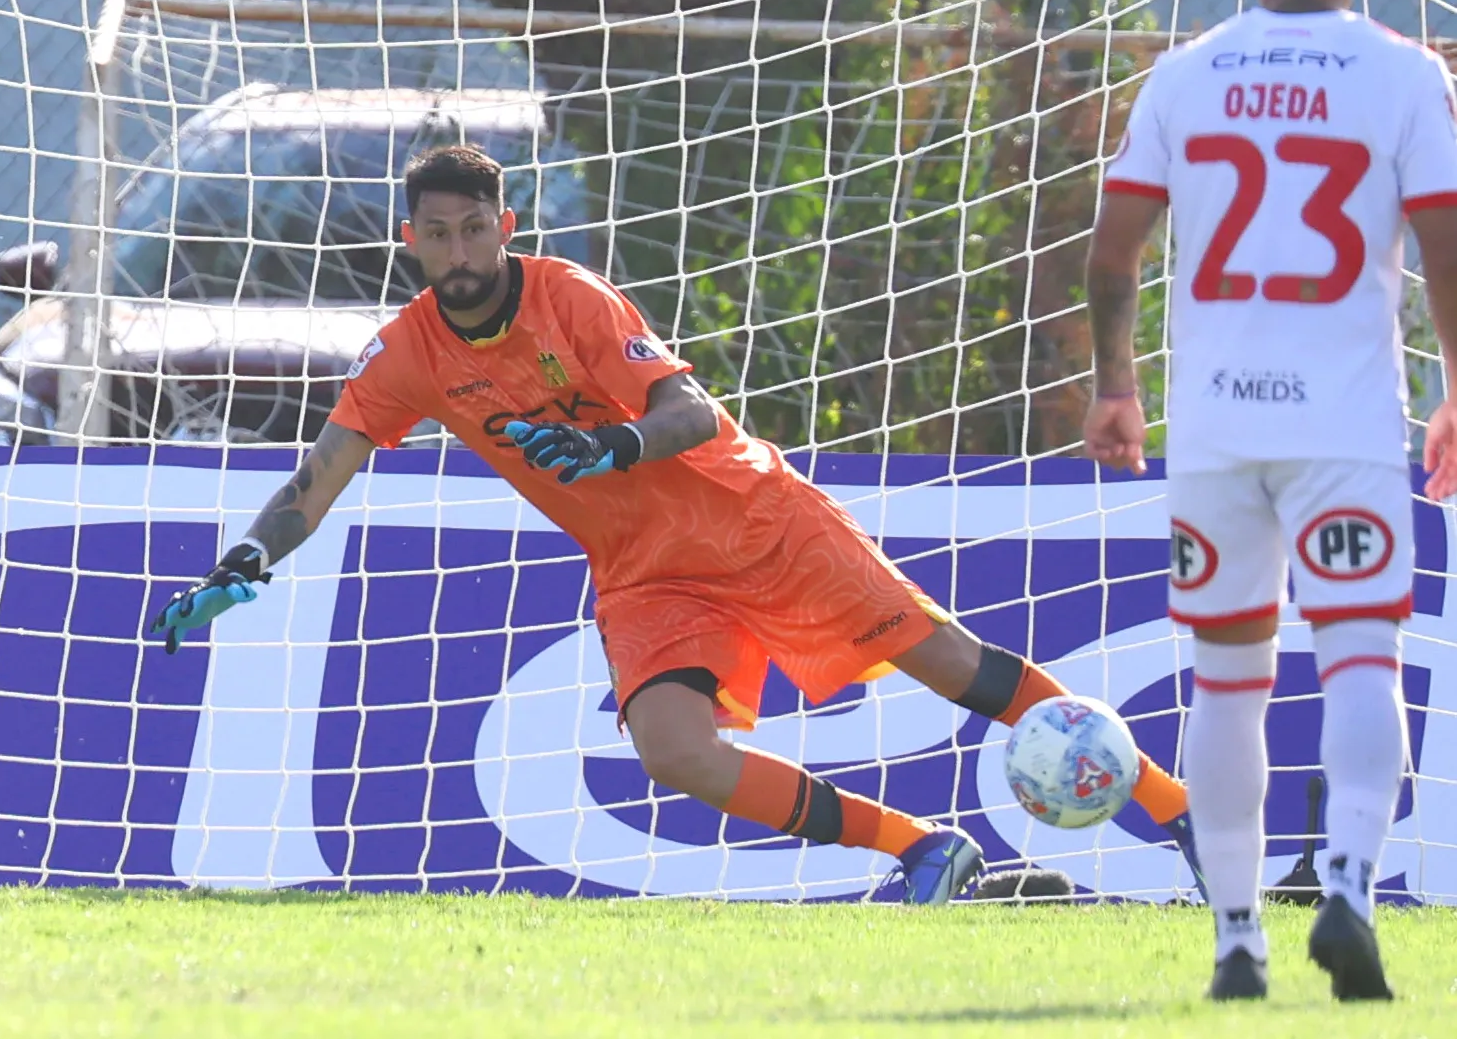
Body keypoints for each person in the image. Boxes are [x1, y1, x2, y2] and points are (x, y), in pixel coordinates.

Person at [150, 142, 1198, 904]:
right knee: (674, 752)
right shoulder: (410, 351)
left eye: (475, 228)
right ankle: (922, 848)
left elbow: (691, 410)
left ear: (505, 228)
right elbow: (322, 470)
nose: (458, 249)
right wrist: (248, 555)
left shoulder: (575, 299)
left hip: (754, 519)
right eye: (437, 233)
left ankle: (1180, 808)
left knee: (955, 668)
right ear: (410, 240)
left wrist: (613, 447)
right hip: (649, 574)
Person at [1086, 0, 1457, 1002]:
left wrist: (1115, 386)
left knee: (1227, 680)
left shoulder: (1185, 74)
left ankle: (1238, 939)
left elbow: (1113, 252)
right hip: (1343, 421)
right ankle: (1346, 886)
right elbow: (1446, 245)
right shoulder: (1406, 74)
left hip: (1214, 429)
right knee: (1361, 654)